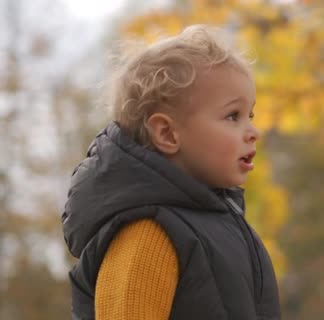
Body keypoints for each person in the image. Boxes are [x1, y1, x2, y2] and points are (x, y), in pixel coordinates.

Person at [61, 25, 281, 320]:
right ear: (167, 133)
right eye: (233, 116)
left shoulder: (223, 225)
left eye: (250, 115)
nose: (253, 131)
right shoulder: (148, 233)